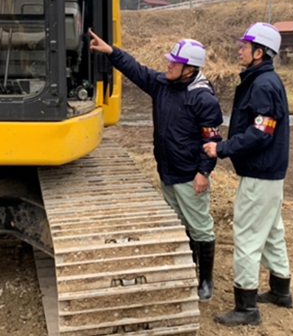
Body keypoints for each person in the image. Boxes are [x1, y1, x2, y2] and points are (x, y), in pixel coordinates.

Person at [89, 31, 223, 301]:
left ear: (189, 69)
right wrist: (111, 51)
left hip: (189, 175)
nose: (168, 65)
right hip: (167, 172)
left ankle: (206, 281)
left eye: (174, 63)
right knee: (180, 223)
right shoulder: (162, 84)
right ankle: (189, 268)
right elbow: (136, 70)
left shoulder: (203, 98)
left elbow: (212, 140)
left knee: (200, 226)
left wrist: (203, 173)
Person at [203, 22, 292, 327]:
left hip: (260, 173)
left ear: (259, 53)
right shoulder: (263, 80)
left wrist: (223, 149)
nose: (239, 50)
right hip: (269, 173)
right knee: (272, 231)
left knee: (248, 236)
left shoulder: (263, 85)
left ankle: (246, 307)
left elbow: (260, 133)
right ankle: (281, 291)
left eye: (244, 46)